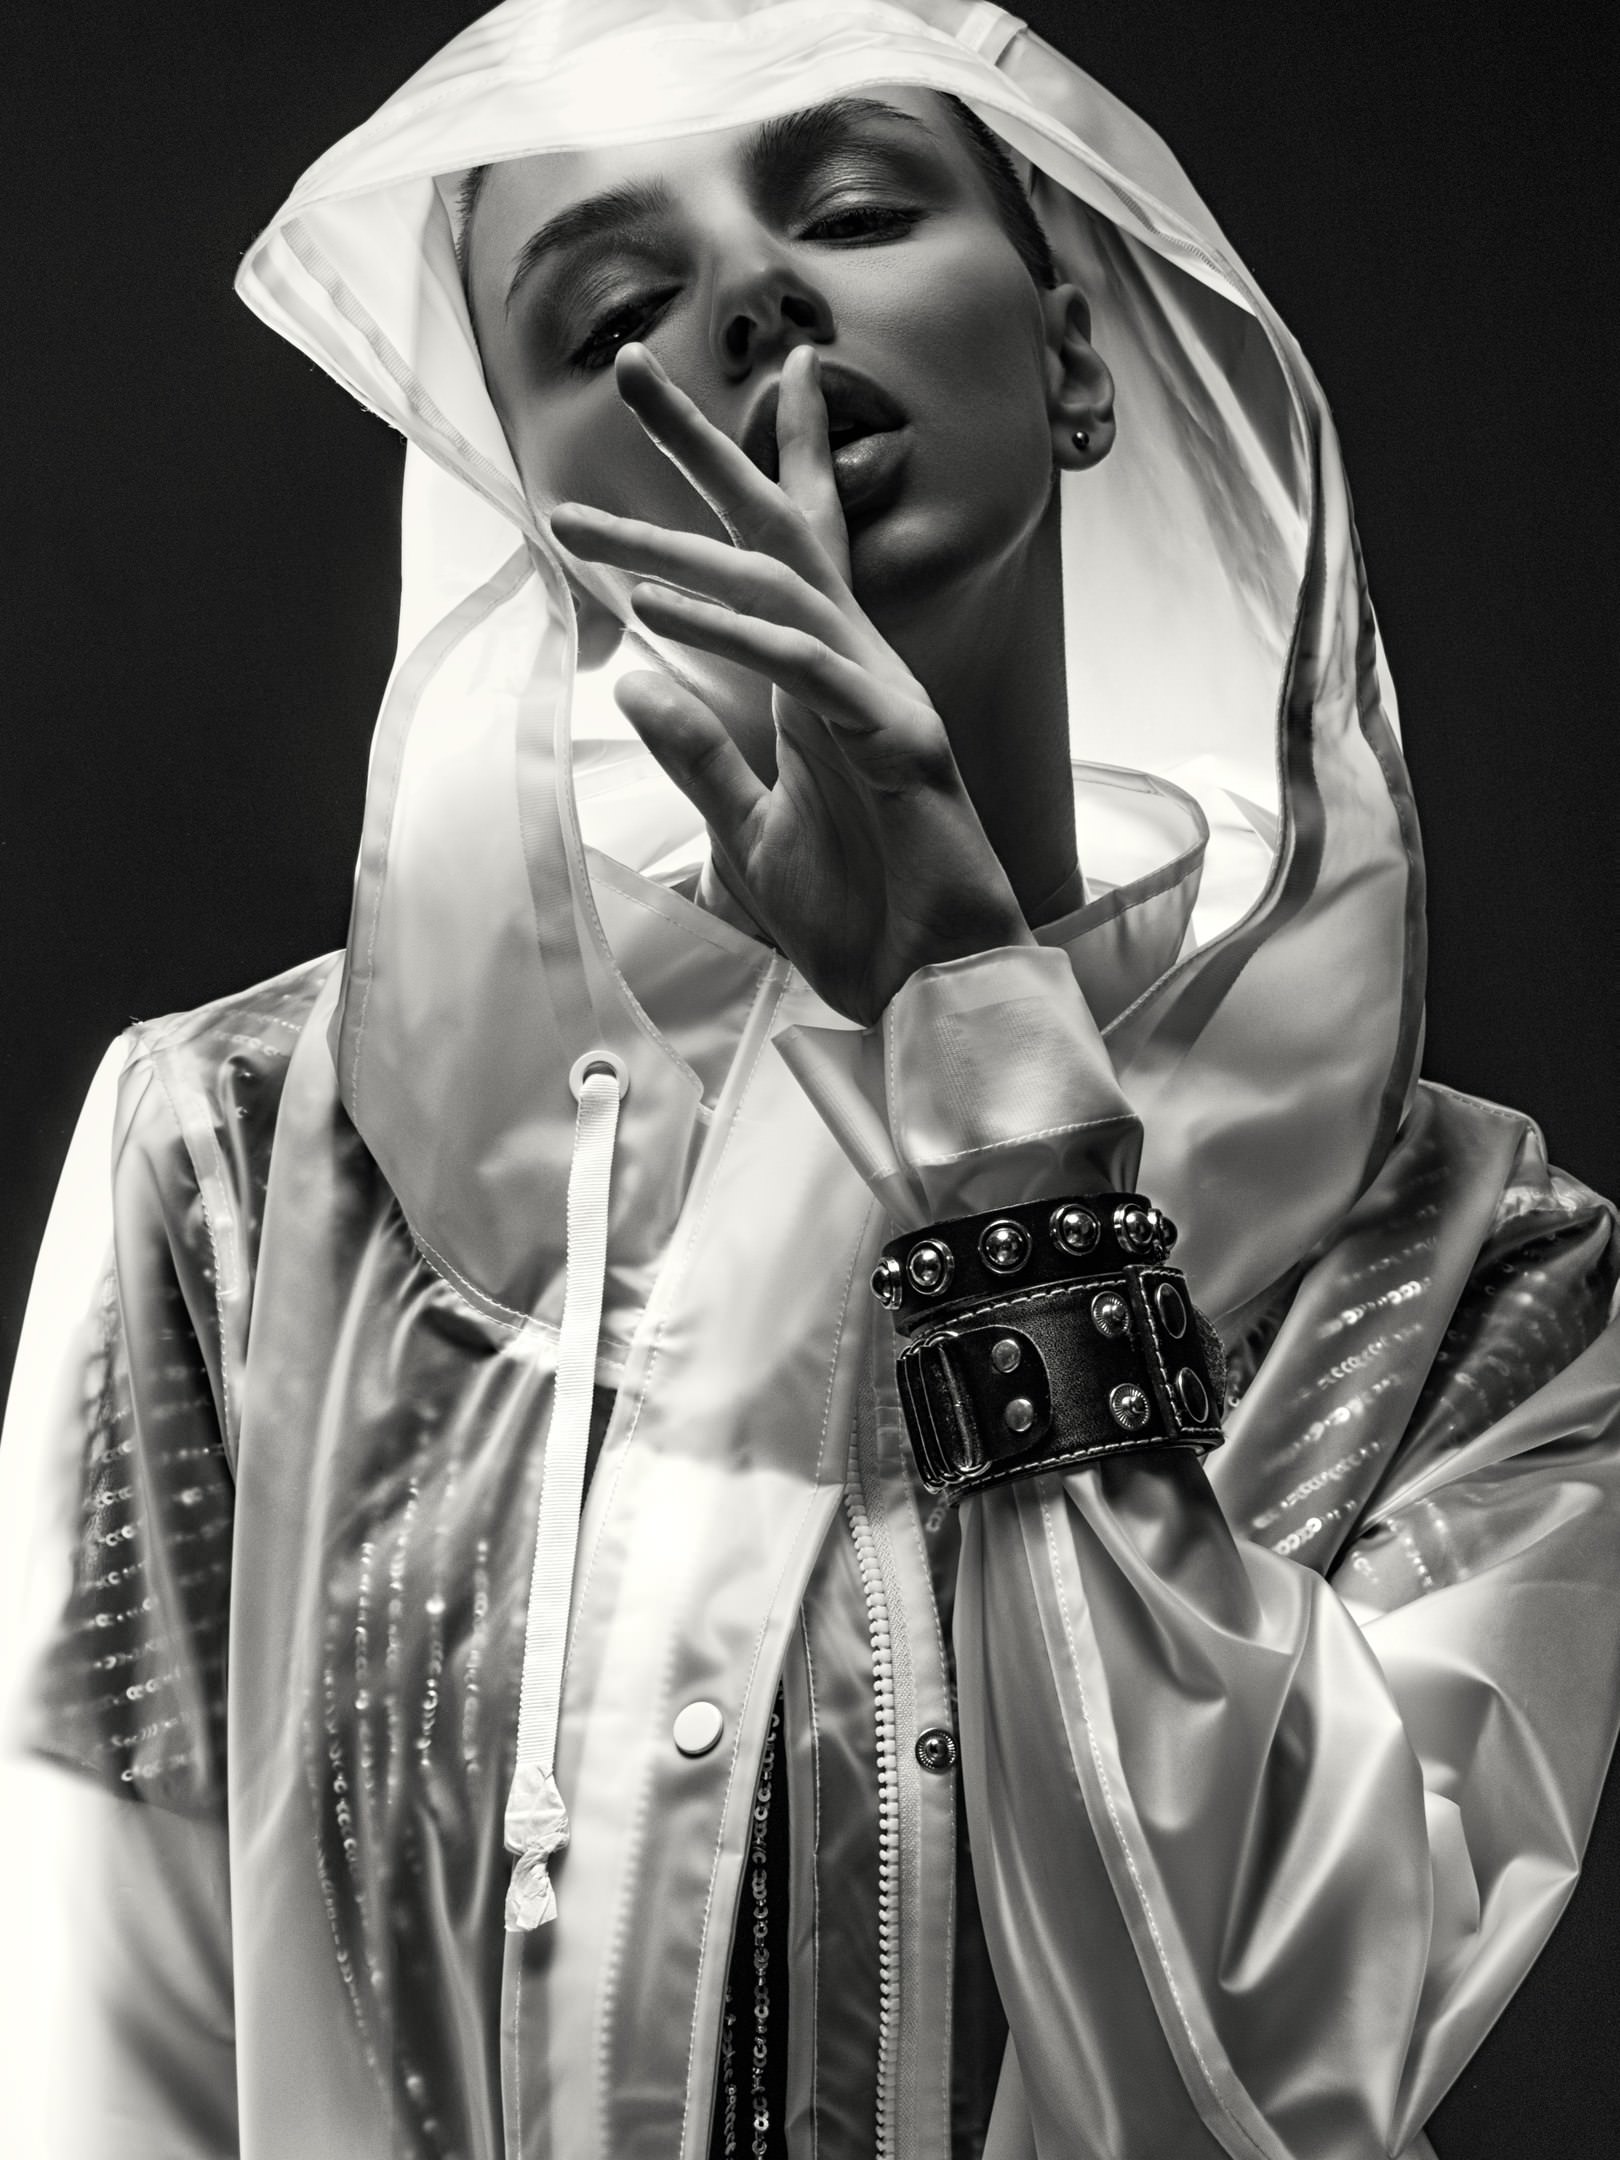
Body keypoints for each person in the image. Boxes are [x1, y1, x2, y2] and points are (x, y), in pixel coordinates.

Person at [2, 1, 1617, 2155]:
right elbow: (110, 2068)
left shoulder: (1473, 1280)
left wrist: (973, 1041)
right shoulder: (241, 1166)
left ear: (1071, 351)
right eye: (609, 317)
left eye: (852, 207)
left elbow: (1249, 2070)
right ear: (540, 507)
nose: (752, 300)